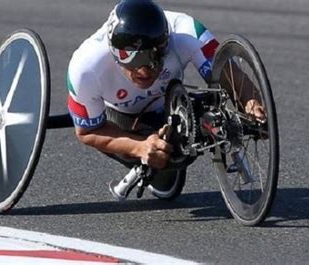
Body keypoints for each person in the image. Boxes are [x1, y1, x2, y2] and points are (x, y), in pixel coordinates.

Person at [66, 0, 264, 200]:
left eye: (155, 59)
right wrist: (139, 147)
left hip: (170, 104)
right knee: (165, 172)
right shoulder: (85, 69)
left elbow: (231, 74)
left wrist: (250, 101)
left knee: (187, 139)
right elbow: (87, 132)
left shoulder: (186, 32)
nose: (145, 71)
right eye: (135, 61)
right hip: (121, 117)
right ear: (116, 54)